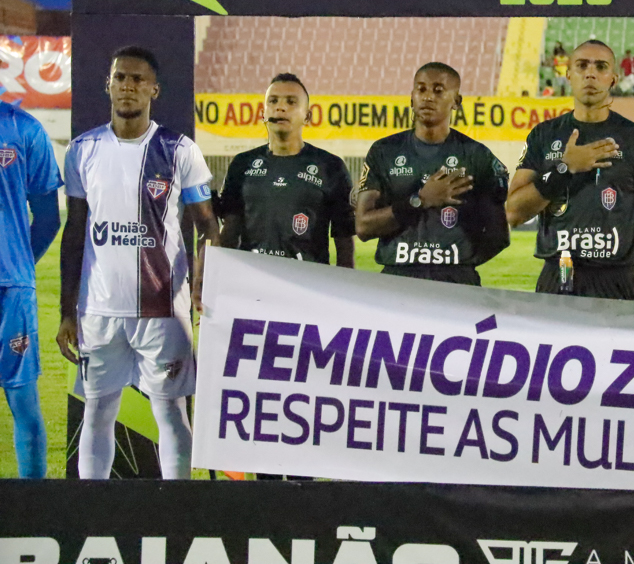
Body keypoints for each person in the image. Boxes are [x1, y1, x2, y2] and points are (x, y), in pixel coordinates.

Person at [57, 46, 220, 479]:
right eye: (120, 78)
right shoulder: (83, 150)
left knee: (170, 410)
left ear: (154, 89)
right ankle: (93, 506)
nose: (127, 86)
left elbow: (209, 226)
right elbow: (74, 233)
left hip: (162, 310)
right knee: (97, 410)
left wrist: (204, 284)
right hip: (99, 310)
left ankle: (177, 508)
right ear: (108, 85)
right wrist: (66, 312)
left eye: (136, 79)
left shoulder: (179, 150)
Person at [505, 40, 634, 302]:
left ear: (613, 79)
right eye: (582, 66)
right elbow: (513, 213)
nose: (590, 73)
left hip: (616, 283)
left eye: (601, 67)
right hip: (556, 278)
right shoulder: (543, 136)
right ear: (568, 75)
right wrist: (564, 169)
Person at [355, 62, 509, 285]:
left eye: (438, 90)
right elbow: (363, 227)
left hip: (456, 281)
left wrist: (459, 262)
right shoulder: (384, 151)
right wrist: (420, 200)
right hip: (397, 279)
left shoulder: (477, 156)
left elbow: (499, 236)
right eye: (421, 89)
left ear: (456, 101)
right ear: (411, 97)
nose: (428, 97)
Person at [220, 73, 355, 267]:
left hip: (306, 282)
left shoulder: (330, 166)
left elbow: (344, 244)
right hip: (253, 280)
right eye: (273, 101)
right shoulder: (242, 164)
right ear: (263, 114)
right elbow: (229, 233)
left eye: (291, 102)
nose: (280, 107)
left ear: (307, 116)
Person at [0, 100, 62, 478]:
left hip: (13, 289)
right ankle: (34, 506)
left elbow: (49, 217)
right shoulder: (24, 126)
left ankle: (33, 504)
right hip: (13, 287)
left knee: (24, 401)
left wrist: (20, 264)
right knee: (24, 402)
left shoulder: (23, 129)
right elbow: (49, 217)